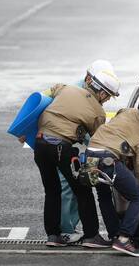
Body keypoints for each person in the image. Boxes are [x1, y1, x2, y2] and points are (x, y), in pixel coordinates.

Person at [31, 67, 120, 247]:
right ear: (102, 93)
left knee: (52, 191)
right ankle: (92, 236)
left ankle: (53, 236)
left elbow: (45, 95)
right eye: (109, 95)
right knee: (83, 190)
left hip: (39, 144)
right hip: (61, 147)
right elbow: (97, 141)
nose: (108, 99)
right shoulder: (98, 112)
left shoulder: (66, 88)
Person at [85, 92, 139, 257]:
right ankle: (123, 240)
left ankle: (114, 235)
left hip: (90, 154)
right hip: (107, 159)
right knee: (138, 197)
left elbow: (120, 114)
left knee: (103, 195)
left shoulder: (128, 111)